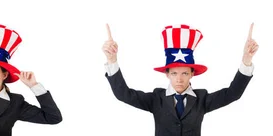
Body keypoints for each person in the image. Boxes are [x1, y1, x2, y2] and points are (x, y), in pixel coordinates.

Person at [103, 24, 258, 136]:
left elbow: (232, 94)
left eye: (184, 73)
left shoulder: (201, 99)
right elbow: (123, 94)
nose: (179, 79)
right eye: (174, 73)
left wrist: (246, 60)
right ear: (167, 74)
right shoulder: (156, 99)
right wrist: (112, 60)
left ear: (192, 74)